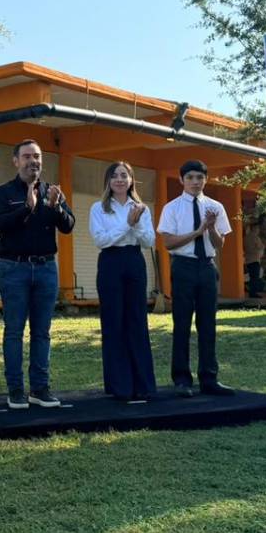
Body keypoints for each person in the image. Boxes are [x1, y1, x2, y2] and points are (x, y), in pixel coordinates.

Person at [0, 139, 74, 409]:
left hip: (46, 268)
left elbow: (69, 226)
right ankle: (15, 390)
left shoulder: (52, 192)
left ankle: (40, 388)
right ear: (16, 161)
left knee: (42, 332)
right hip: (14, 268)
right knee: (14, 331)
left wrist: (57, 208)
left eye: (36, 156)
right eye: (26, 156)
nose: (32, 161)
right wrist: (26, 207)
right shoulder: (4, 192)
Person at [157, 159, 234, 397]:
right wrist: (197, 232)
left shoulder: (215, 206)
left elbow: (220, 244)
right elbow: (168, 242)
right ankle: (181, 379)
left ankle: (209, 378)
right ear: (181, 180)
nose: (195, 182)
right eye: (190, 177)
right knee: (182, 323)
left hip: (207, 267)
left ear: (206, 180)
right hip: (183, 266)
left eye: (199, 177)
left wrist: (210, 228)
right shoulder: (172, 208)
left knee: (208, 323)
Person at [89, 161, 157, 402]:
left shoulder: (141, 208)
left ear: (131, 180)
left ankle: (143, 384)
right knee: (113, 321)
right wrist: (127, 224)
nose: (120, 179)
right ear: (108, 181)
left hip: (134, 260)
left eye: (124, 175)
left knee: (137, 320)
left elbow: (149, 241)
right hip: (110, 263)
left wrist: (136, 222)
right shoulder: (99, 208)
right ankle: (120, 386)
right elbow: (102, 240)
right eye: (115, 175)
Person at [244, 220, 266, 299]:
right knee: (254, 277)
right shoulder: (252, 237)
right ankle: (253, 293)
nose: (258, 229)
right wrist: (260, 248)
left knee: (254, 277)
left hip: (253, 259)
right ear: (254, 228)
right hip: (253, 259)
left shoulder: (252, 237)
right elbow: (251, 249)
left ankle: (253, 293)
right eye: (257, 228)